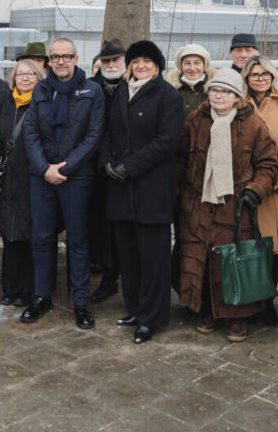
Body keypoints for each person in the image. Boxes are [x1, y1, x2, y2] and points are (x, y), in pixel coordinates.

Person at [175, 68, 278, 343]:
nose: (218, 95)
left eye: (225, 91)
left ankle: (237, 317)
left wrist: (255, 190)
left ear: (237, 97)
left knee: (231, 261)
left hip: (235, 205)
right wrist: (178, 193)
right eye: (214, 90)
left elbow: (269, 164)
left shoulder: (254, 124)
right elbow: (180, 159)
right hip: (197, 203)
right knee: (202, 259)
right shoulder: (195, 120)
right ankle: (207, 310)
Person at [100, 40, 184, 343]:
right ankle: (135, 308)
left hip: (151, 188)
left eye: (147, 61)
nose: (141, 66)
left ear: (157, 65)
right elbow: (108, 133)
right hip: (121, 189)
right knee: (129, 256)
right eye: (136, 61)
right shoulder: (122, 92)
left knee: (153, 258)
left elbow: (166, 141)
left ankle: (152, 317)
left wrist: (130, 166)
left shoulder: (168, 95)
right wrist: (107, 163)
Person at [20, 38, 105, 329]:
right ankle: (41, 296)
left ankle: (80, 302)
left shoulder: (92, 91)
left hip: (76, 176)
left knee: (78, 241)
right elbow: (30, 133)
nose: (60, 61)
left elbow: (93, 136)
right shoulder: (41, 90)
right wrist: (44, 168)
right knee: (42, 238)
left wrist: (65, 167)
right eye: (55, 57)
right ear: (49, 61)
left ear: (76, 58)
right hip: (42, 177)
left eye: (66, 56)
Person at [241, 55, 278, 326]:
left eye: (265, 74)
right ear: (247, 79)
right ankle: (250, 302)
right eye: (254, 75)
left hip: (277, 188)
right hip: (245, 187)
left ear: (273, 77)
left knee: (272, 249)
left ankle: (268, 303)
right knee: (250, 246)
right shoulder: (239, 104)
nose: (260, 79)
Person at [0, 58, 47, 306]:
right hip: (9, 179)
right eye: (20, 75)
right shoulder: (8, 104)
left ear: (39, 77)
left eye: (30, 74)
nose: (25, 79)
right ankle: (10, 288)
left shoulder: (43, 103)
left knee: (29, 235)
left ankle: (27, 289)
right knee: (10, 234)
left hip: (32, 176)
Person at [88, 38, 128, 303]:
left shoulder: (134, 86)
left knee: (126, 228)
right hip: (98, 169)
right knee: (101, 227)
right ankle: (109, 276)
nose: (111, 65)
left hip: (129, 168)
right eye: (106, 61)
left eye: (116, 60)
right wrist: (104, 161)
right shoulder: (92, 88)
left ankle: (130, 277)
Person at [166, 43, 215, 120]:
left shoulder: (215, 89)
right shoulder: (170, 90)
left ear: (204, 65)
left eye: (197, 63)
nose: (192, 68)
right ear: (181, 66)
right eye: (187, 63)